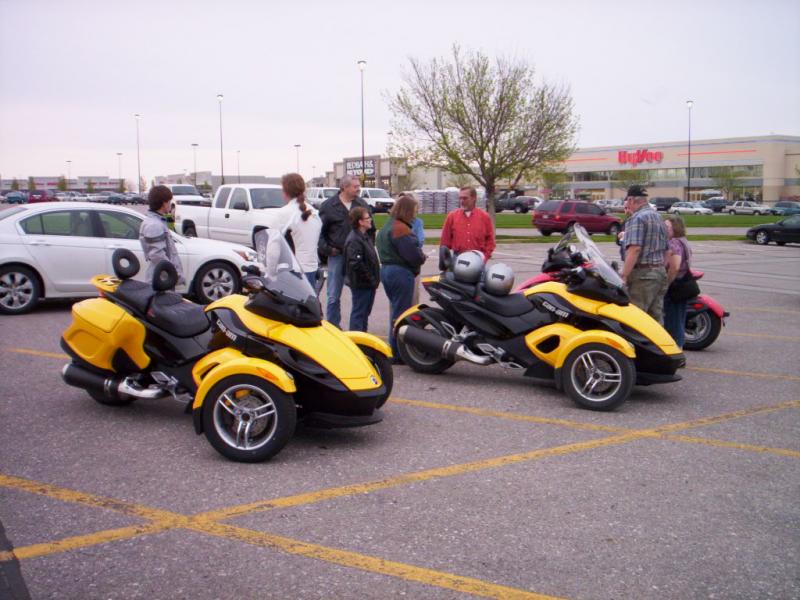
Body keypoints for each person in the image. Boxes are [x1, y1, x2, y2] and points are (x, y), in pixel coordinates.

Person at [318, 175, 373, 328]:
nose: (358, 189)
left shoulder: (361, 204)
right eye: (355, 186)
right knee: (333, 296)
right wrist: (328, 250)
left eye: (358, 186)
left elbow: (371, 229)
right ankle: (333, 328)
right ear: (344, 187)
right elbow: (319, 233)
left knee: (360, 295)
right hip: (337, 256)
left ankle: (358, 330)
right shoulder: (328, 206)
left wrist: (368, 249)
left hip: (358, 258)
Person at [377, 194, 427, 360]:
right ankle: (398, 353)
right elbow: (413, 255)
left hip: (386, 270)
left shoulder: (387, 226)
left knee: (396, 311)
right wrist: (421, 258)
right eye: (414, 210)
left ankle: (395, 349)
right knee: (401, 315)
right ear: (407, 210)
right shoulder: (401, 229)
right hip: (400, 272)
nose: (415, 213)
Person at [620, 184, 668, 322]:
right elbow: (666, 248)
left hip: (643, 276)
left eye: (627, 201)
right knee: (655, 319)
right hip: (659, 272)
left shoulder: (637, 218)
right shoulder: (658, 217)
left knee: (636, 320)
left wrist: (624, 275)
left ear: (631, 200)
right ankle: (659, 343)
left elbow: (634, 249)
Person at [274, 173, 322, 289]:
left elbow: (273, 246)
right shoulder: (314, 212)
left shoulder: (284, 213)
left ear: (285, 191)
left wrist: (269, 271)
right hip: (312, 268)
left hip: (294, 271)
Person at [139, 185, 184, 287]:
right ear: (164, 203)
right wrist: (172, 274)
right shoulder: (154, 225)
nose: (170, 204)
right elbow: (157, 256)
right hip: (161, 282)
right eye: (169, 201)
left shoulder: (156, 221)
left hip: (162, 279)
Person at [344, 207, 380, 332]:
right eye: (367, 218)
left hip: (368, 283)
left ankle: (363, 338)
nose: (370, 220)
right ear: (360, 222)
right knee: (359, 313)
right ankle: (357, 341)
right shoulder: (354, 240)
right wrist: (370, 279)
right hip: (362, 284)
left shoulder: (364, 236)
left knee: (364, 313)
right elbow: (356, 264)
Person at [440, 186, 495, 260]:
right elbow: (444, 242)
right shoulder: (452, 216)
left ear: (474, 198)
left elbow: (490, 241)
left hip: (478, 258)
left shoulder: (484, 217)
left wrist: (485, 257)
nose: (462, 201)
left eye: (465, 198)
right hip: (458, 258)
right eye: (460, 198)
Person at [663, 215, 692, 348]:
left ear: (676, 228)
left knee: (672, 320)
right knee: (679, 319)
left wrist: (666, 284)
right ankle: (679, 347)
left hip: (675, 285)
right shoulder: (683, 241)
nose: (664, 229)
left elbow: (675, 266)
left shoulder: (674, 243)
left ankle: (676, 350)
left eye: (667, 227)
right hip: (684, 283)